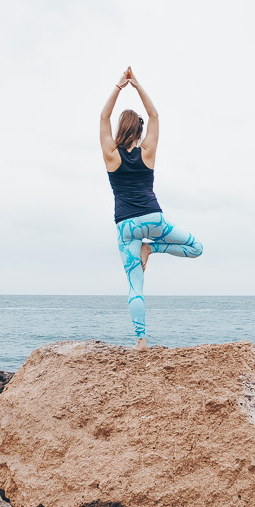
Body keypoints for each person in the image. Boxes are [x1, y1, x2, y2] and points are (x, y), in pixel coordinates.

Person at [100, 69, 203, 351]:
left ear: (121, 129)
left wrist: (119, 87)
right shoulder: (147, 152)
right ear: (139, 131)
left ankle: (141, 341)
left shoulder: (111, 154)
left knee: (135, 286)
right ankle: (152, 248)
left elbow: (103, 117)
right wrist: (137, 85)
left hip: (126, 227)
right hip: (153, 220)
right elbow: (155, 115)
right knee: (197, 248)